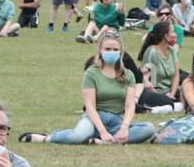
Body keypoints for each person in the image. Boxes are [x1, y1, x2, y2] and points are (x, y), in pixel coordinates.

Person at [23, 33, 156, 146]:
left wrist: (125, 127)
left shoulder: (128, 74)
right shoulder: (91, 73)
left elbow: (130, 105)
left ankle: (102, 141)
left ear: (121, 52)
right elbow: (90, 106)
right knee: (76, 137)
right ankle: (47, 138)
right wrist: (103, 131)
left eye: (115, 49)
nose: (111, 52)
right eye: (107, 49)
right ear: (100, 50)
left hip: (116, 120)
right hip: (93, 119)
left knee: (149, 128)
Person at [137, 22, 182, 107]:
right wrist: (160, 97)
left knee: (188, 97)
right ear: (165, 36)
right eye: (172, 31)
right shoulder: (152, 52)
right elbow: (146, 80)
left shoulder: (172, 51)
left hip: (169, 91)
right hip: (153, 92)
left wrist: (172, 94)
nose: (175, 34)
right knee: (169, 103)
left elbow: (176, 75)